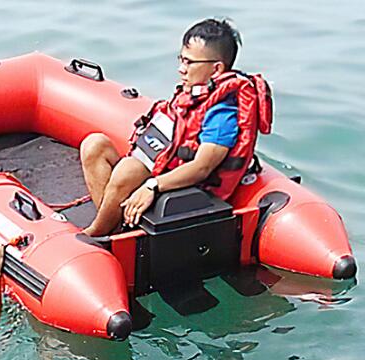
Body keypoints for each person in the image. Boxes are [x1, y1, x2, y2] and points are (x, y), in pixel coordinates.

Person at [81, 18, 272, 236]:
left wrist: (152, 185)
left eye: (189, 62)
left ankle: (96, 234)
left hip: (185, 188)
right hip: (164, 166)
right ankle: (114, 227)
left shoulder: (222, 115)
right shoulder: (194, 94)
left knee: (127, 170)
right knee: (94, 145)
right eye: (181, 59)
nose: (181, 69)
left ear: (216, 68)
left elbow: (201, 168)